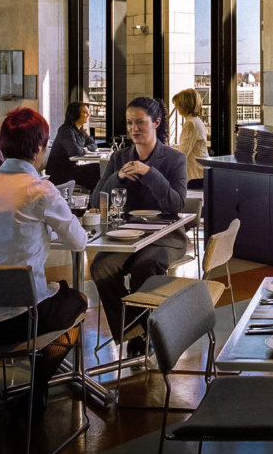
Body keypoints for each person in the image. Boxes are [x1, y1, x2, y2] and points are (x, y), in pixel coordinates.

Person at [0, 107, 88, 419]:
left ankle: (36, 385)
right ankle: (38, 390)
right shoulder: (39, 189)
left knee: (48, 298)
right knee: (77, 302)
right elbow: (78, 242)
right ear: (39, 149)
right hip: (15, 320)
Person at [90, 97, 187, 356]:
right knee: (100, 267)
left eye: (140, 123)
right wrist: (117, 176)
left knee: (146, 266)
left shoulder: (174, 159)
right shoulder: (118, 158)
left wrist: (149, 172)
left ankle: (148, 334)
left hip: (166, 237)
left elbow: (176, 204)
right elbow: (95, 199)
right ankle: (136, 331)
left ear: (156, 123)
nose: (134, 129)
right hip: (125, 237)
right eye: (130, 123)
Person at [45, 101, 101, 191]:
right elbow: (74, 151)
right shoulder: (66, 130)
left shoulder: (80, 130)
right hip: (60, 172)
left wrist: (85, 148)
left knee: (97, 168)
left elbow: (94, 145)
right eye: (85, 112)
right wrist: (85, 150)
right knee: (95, 171)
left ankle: (94, 197)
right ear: (75, 114)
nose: (88, 114)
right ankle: (93, 198)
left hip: (71, 168)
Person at [171, 88, 209, 189]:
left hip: (195, 175)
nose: (176, 107)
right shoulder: (196, 121)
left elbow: (183, 153)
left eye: (177, 104)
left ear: (185, 105)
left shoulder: (190, 123)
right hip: (201, 172)